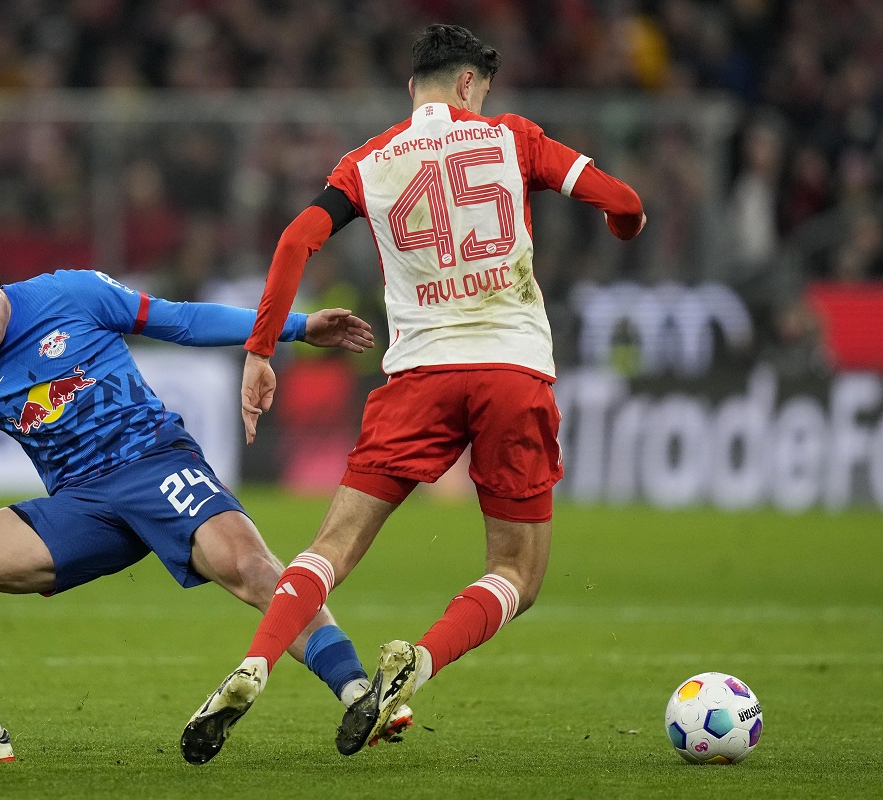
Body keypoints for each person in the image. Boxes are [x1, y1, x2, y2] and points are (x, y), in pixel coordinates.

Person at [181, 23, 646, 762]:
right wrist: (627, 223)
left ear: (412, 89)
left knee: (329, 547)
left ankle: (255, 663)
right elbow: (620, 198)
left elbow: (295, 240)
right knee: (517, 574)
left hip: (419, 375)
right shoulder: (514, 137)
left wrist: (263, 350)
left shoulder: (369, 161)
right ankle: (419, 663)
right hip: (510, 372)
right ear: (470, 85)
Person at [0, 224, 415, 762]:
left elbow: (178, 320)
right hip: (81, 506)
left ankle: (361, 694)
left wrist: (296, 328)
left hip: (153, 463)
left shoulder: (69, 294)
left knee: (253, 569)